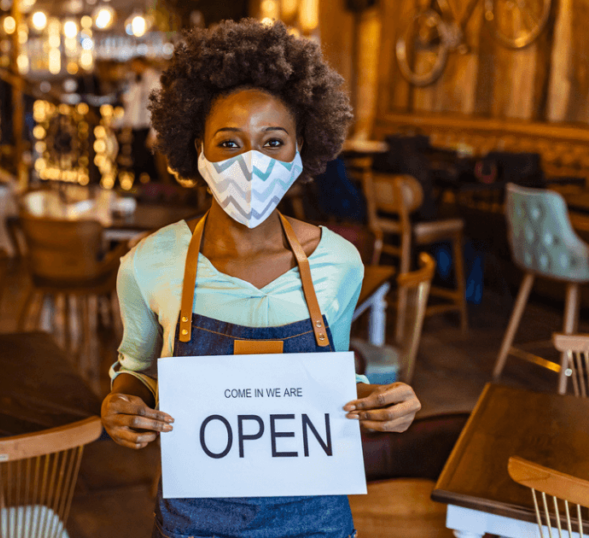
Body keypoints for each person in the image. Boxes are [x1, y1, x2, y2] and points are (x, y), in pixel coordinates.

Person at [100, 19, 421, 538]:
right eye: (229, 144)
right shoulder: (149, 263)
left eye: (273, 141)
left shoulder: (339, 262)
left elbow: (330, 381)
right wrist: (122, 402)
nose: (253, 163)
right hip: (193, 524)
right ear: (197, 150)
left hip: (316, 523)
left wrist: (383, 403)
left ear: (301, 150)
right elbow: (135, 368)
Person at [119, 56, 162, 183]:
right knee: (137, 161)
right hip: (137, 128)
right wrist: (120, 122)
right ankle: (141, 193)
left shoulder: (154, 79)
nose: (132, 68)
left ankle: (153, 193)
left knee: (150, 164)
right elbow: (132, 107)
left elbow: (157, 107)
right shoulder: (136, 80)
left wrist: (154, 133)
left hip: (147, 128)